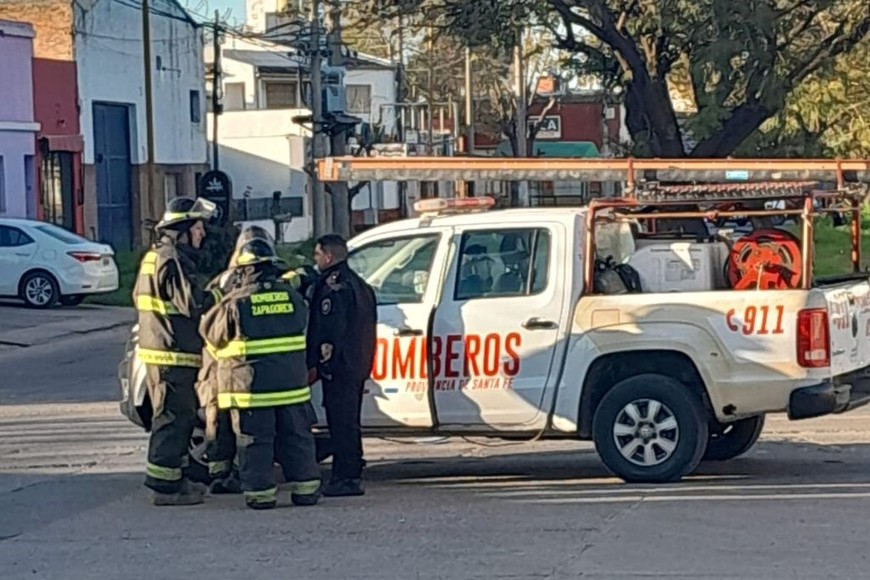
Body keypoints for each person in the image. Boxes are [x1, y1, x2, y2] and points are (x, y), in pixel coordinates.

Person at [200, 238, 322, 510]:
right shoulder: (292, 297)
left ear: (244, 270)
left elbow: (211, 334)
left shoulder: (235, 302)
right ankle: (306, 490)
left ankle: (261, 495)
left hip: (252, 390)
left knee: (255, 443)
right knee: (298, 439)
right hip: (292, 387)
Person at [132, 196, 218, 506]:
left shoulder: (155, 257)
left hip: (163, 352)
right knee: (171, 419)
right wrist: (222, 292)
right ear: (182, 230)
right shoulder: (173, 260)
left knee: (179, 419)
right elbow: (193, 304)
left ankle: (177, 480)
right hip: (173, 354)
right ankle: (164, 488)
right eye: (197, 228)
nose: (202, 233)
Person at [197, 224, 278, 495]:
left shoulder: (225, 281)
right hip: (225, 364)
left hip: (224, 366)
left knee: (223, 421)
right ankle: (222, 474)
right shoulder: (230, 282)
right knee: (223, 422)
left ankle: (225, 474)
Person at [308, 234, 377, 497]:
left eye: (317, 254)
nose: (315, 260)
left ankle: (346, 477)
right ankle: (351, 469)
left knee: (341, 424)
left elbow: (329, 332)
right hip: (357, 364)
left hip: (339, 366)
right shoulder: (359, 285)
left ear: (328, 256)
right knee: (349, 421)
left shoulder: (333, 288)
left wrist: (321, 364)